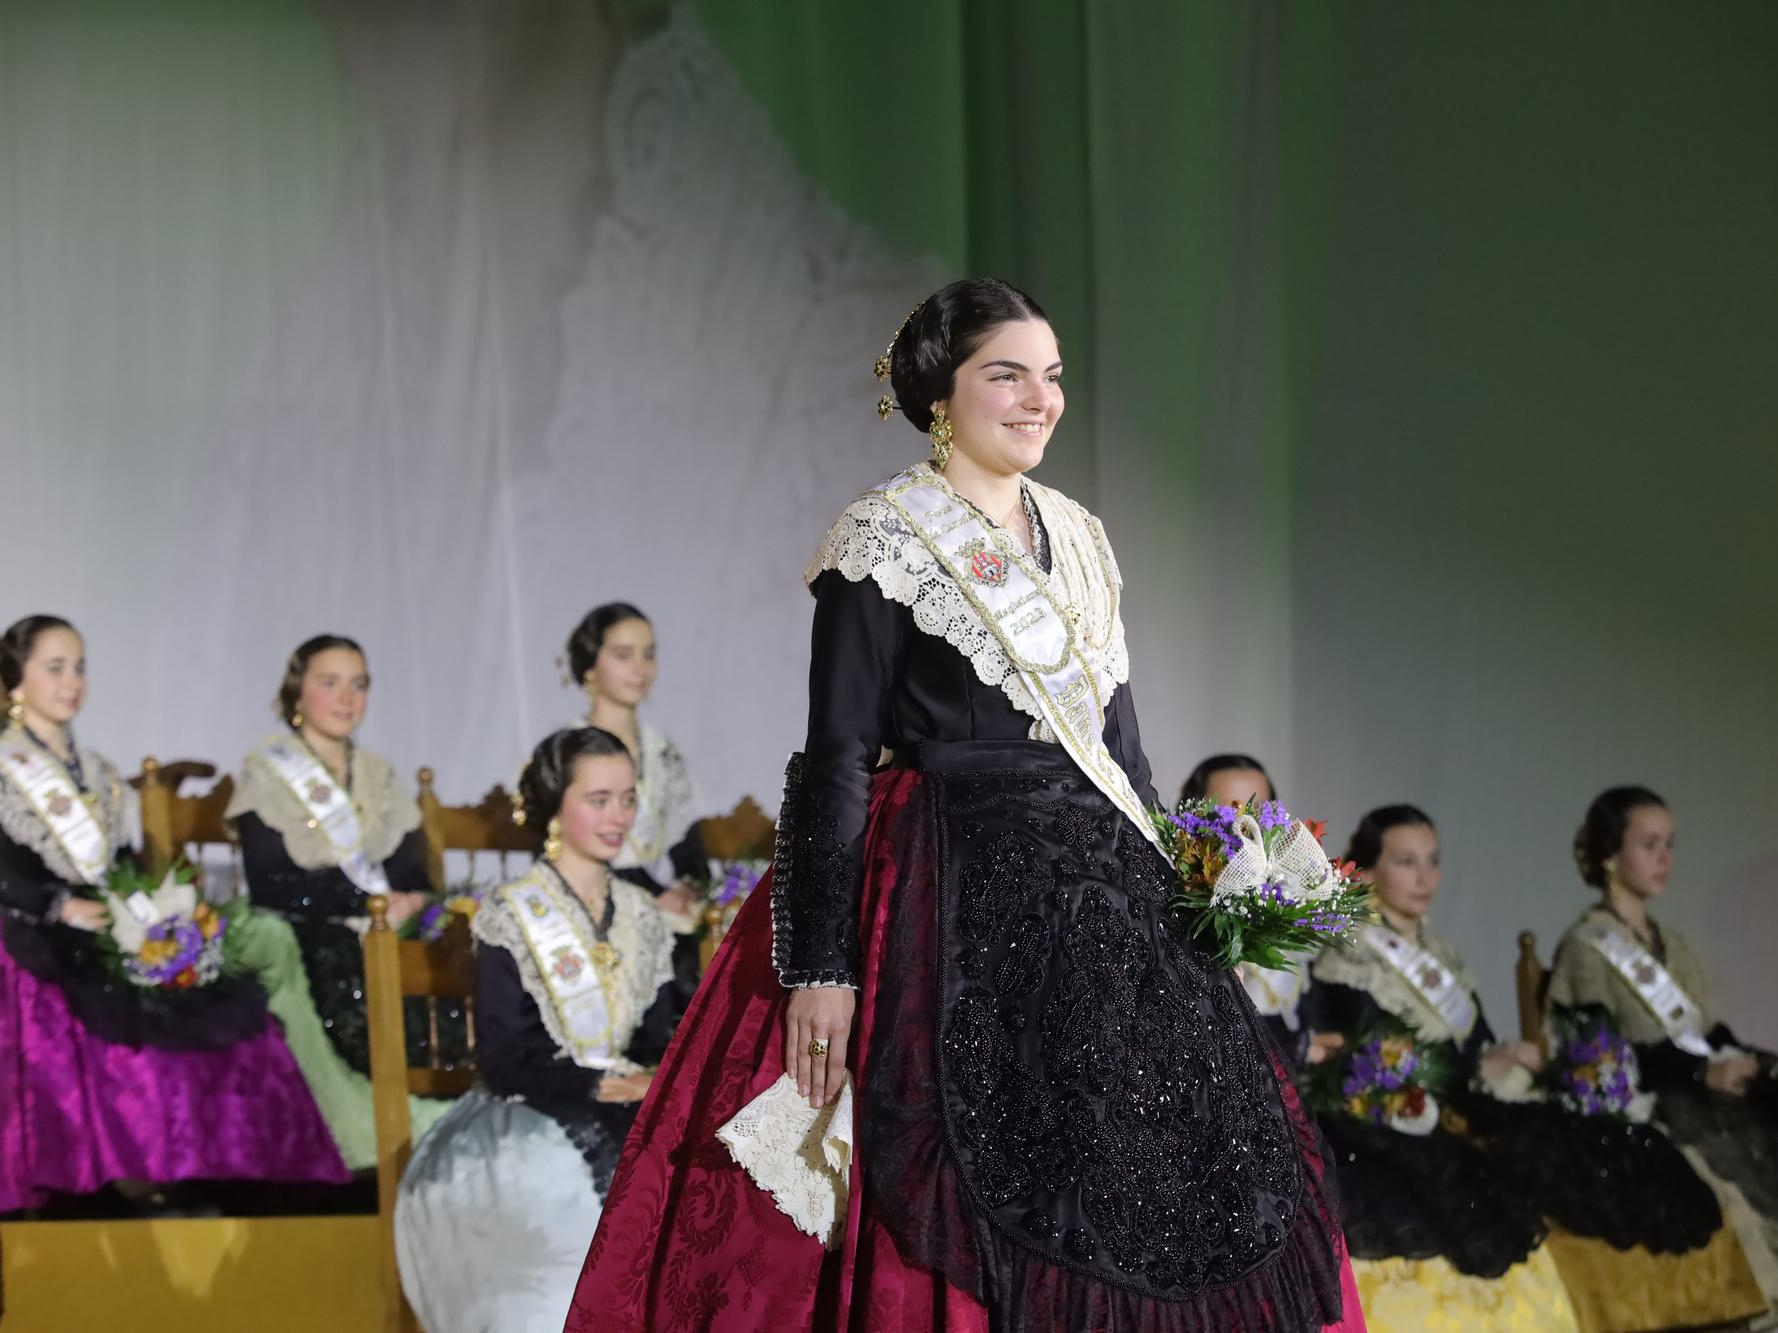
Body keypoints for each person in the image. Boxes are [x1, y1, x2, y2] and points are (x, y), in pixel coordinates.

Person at [567, 279, 1363, 1331]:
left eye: (1052, 377)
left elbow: (1119, 748)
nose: (1039, 399)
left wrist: (1194, 903)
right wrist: (820, 965)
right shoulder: (880, 540)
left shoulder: (1078, 536)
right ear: (941, 394)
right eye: (1007, 374)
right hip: (945, 885)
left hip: (1100, 896)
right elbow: (838, 758)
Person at [0, 616, 345, 1215]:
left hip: (106, 926)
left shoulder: (96, 772)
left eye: (79, 667)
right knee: (64, 1017)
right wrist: (57, 906)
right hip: (30, 930)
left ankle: (205, 1172)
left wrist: (146, 912)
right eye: (55, 668)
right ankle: (93, 1179)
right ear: (16, 683)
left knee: (208, 997)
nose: (72, 681)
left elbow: (116, 863)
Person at [1314, 805, 1760, 1331]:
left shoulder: (1442, 954)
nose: (1425, 877)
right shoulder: (1349, 956)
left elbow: (1473, 1043)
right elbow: (1391, 1056)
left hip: (1472, 1094)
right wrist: (1483, 1065)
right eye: (1406, 862)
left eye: (1433, 861)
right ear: (1366, 872)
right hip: (1409, 1109)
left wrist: (1500, 1058)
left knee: (1612, 1151)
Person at [396, 727, 690, 1331]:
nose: (618, 817)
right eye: (599, 799)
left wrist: (649, 1080)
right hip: (530, 1111)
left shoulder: (645, 916)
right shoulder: (510, 911)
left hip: (629, 1101)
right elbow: (503, 1060)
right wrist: (592, 1087)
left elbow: (660, 1039)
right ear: (558, 802)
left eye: (628, 799)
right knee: (556, 1198)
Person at [1549, 787, 1778, 1328]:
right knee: (1738, 1151)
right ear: (1609, 854)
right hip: (1654, 1099)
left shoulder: (1676, 944)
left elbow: (1703, 1029)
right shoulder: (1587, 947)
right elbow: (1596, 1052)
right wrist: (1699, 1072)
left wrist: (1757, 1064)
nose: (1664, 858)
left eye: (1670, 844)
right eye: (1649, 844)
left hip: (1707, 1087)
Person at [226, 634, 449, 1166]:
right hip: (312, 922)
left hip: (380, 921)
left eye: (359, 685)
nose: (347, 698)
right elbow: (270, 880)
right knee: (340, 959)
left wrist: (407, 899)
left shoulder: (378, 774)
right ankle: (374, 1123)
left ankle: (448, 1104)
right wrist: (360, 902)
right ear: (297, 693)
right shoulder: (268, 770)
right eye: (330, 683)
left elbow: (409, 865)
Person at [1181, 753, 1338, 1069]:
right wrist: (1299, 1049)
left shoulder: (1284, 904)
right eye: (1228, 814)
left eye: (1257, 813)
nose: (1244, 828)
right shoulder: (1179, 917)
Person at [562, 603, 706, 916]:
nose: (640, 669)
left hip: (663, 911)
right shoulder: (568, 751)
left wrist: (687, 888)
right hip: (590, 908)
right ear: (590, 663)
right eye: (623, 655)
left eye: (649, 655)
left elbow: (687, 841)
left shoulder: (661, 750)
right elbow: (560, 852)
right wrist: (649, 897)